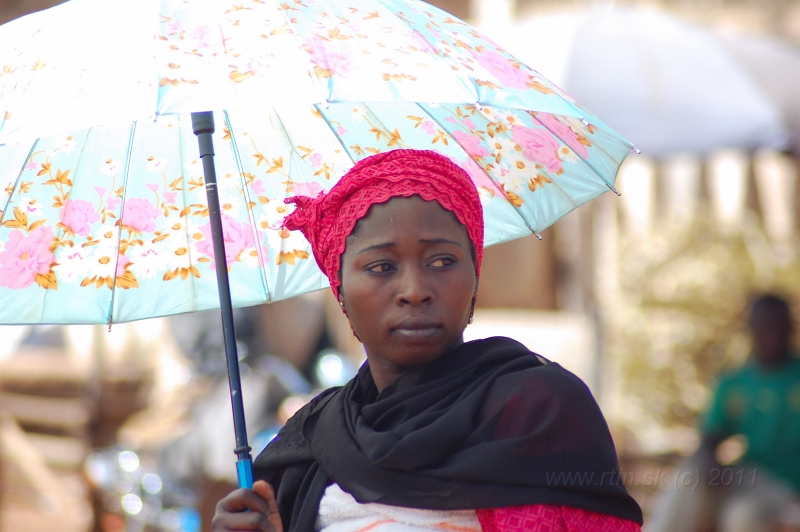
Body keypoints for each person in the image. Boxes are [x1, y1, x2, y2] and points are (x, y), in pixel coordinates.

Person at [211, 149, 643, 532]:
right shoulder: (308, 444)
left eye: (442, 261)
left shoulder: (538, 412)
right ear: (339, 290)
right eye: (381, 267)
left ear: (475, 277)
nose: (414, 289)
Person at [647, 294, 800, 532]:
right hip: (747, 474)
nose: (772, 332)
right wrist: (708, 465)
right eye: (764, 325)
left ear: (791, 327)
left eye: (778, 324)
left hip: (786, 484)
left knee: (741, 516)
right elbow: (711, 437)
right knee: (690, 479)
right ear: (750, 330)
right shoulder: (734, 382)